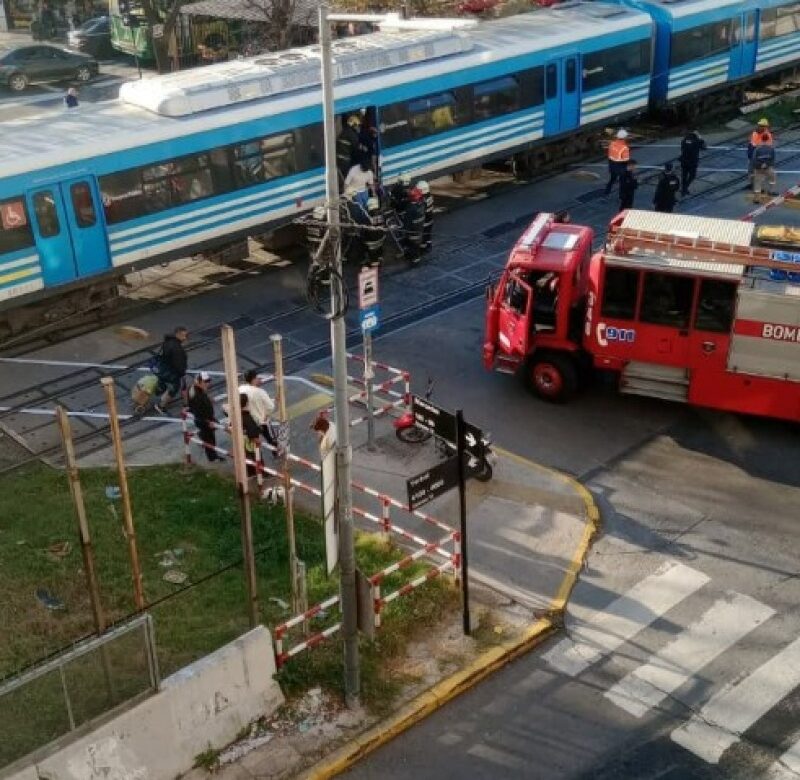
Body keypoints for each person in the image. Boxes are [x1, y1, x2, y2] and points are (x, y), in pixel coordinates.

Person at [239, 369, 277, 455]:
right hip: (261, 420)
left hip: (248, 420)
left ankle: (256, 456)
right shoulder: (260, 392)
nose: (259, 379)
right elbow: (271, 407)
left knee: (253, 441)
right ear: (253, 379)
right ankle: (275, 453)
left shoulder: (241, 388)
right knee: (271, 438)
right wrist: (267, 412)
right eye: (257, 378)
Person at [187, 372, 222, 462]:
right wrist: (208, 422)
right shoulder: (197, 396)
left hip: (206, 417)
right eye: (205, 381)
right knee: (210, 440)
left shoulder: (196, 389)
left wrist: (208, 398)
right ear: (199, 381)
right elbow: (198, 413)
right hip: (204, 420)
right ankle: (213, 458)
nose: (208, 383)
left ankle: (202, 435)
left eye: (209, 381)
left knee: (211, 433)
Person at [154, 326, 188, 414]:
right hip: (171, 371)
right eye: (183, 336)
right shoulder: (177, 348)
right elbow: (179, 363)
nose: (185, 338)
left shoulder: (168, 341)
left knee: (163, 382)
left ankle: (160, 391)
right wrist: (182, 373)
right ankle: (161, 405)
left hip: (163, 368)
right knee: (174, 388)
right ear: (177, 335)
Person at [239, 393, 262, 477]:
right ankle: (262, 474)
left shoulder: (238, 415)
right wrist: (257, 441)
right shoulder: (247, 417)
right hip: (251, 443)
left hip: (243, 442)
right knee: (257, 458)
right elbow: (252, 433)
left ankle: (251, 473)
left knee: (248, 458)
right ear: (247, 403)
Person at [402, 186, 426, 264]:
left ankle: (414, 260)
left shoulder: (410, 209)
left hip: (413, 231)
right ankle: (417, 257)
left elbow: (407, 222)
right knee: (417, 244)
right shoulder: (422, 204)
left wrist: (405, 231)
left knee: (413, 246)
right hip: (420, 229)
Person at [679, 127, 706, 196]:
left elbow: (682, 148)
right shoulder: (697, 140)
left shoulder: (684, 140)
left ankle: (684, 189)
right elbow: (704, 147)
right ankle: (684, 189)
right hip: (692, 162)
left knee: (684, 176)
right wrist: (700, 137)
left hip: (684, 161)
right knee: (692, 176)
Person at [336, 114, 362, 181]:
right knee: (348, 179)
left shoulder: (344, 132)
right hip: (345, 161)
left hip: (339, 161)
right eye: (357, 125)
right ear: (353, 125)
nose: (358, 127)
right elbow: (356, 148)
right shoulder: (352, 135)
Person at [605, 129, 631, 195]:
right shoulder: (625, 148)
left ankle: (607, 191)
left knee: (612, 179)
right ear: (625, 138)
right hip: (621, 167)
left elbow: (609, 155)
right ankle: (621, 195)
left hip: (612, 166)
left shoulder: (612, 144)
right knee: (622, 182)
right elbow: (626, 160)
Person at [363, 197, 386, 267]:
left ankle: (374, 263)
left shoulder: (367, 217)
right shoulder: (382, 214)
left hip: (371, 243)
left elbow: (364, 230)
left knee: (359, 239)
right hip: (382, 239)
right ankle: (380, 256)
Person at [417, 180, 434, 254]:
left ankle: (423, 249)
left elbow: (420, 210)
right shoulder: (429, 195)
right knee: (428, 233)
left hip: (425, 220)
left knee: (424, 235)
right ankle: (429, 245)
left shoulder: (423, 199)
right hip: (430, 219)